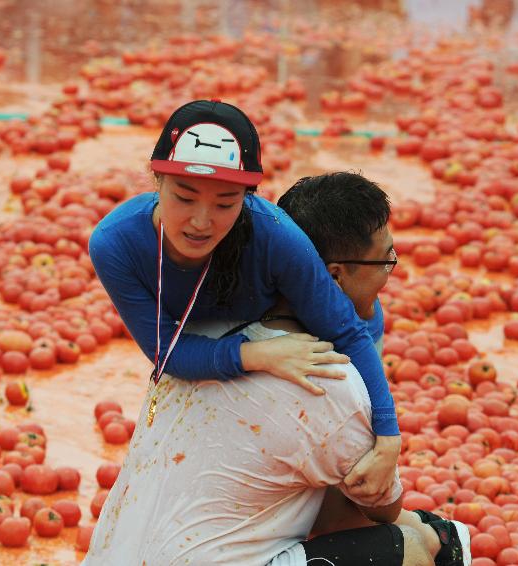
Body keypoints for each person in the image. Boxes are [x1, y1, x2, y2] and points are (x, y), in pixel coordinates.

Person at [81, 171, 471, 566]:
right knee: (422, 547)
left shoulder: (200, 335)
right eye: (386, 259)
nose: (391, 269)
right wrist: (429, 528)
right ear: (333, 275)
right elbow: (381, 507)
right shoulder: (324, 380)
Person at [88, 100, 400, 498]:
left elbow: (348, 331)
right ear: (157, 180)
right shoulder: (116, 244)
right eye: (184, 198)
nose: (201, 221)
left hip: (303, 332)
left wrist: (389, 437)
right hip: (228, 350)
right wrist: (259, 355)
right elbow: (167, 353)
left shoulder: (274, 233)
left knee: (351, 490)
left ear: (247, 197)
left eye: (225, 203)